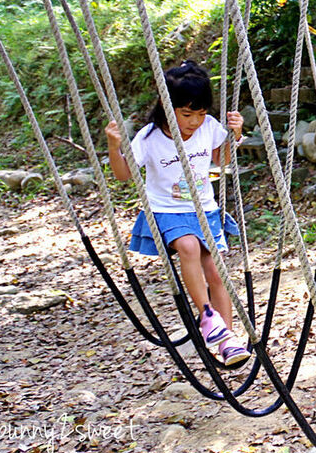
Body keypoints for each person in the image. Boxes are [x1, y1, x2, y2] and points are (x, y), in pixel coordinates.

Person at [105, 61, 251, 367]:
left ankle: (228, 341)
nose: (194, 121)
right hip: (167, 211)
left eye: (200, 113)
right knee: (188, 246)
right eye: (186, 114)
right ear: (165, 104)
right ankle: (207, 316)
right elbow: (123, 174)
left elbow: (220, 160)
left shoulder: (209, 127)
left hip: (204, 210)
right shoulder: (149, 137)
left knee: (217, 273)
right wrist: (113, 146)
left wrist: (234, 136)